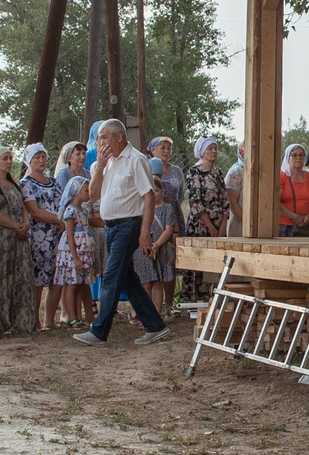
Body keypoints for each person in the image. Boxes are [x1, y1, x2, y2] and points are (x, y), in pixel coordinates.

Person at [74, 118, 170, 346]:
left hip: (129, 224)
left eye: (104, 137)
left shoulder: (135, 160)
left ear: (119, 136)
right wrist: (99, 164)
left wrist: (144, 232)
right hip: (110, 226)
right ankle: (155, 326)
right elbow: (93, 195)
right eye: (98, 138)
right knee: (128, 279)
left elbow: (148, 197)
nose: (100, 142)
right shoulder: (101, 163)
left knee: (111, 275)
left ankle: (99, 331)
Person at [0, 143, 35, 336]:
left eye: (11, 158)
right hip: (1, 236)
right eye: (5, 158)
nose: (9, 162)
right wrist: (15, 225)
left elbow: (23, 207)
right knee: (1, 277)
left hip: (19, 237)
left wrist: (26, 224)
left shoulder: (13, 183)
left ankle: (20, 320)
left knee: (19, 277)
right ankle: (0, 321)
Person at [20, 143, 73, 331]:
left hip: (58, 235)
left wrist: (63, 220)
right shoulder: (26, 183)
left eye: (43, 157)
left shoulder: (53, 181)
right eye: (37, 158)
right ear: (29, 161)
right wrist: (59, 220)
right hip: (39, 236)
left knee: (56, 278)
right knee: (38, 279)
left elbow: (63, 202)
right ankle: (34, 319)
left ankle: (49, 320)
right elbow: (34, 211)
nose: (41, 161)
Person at [180, 137, 229, 298]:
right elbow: (195, 202)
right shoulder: (195, 172)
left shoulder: (218, 172)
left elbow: (224, 200)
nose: (213, 152)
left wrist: (222, 226)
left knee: (217, 261)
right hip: (200, 225)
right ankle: (195, 298)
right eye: (210, 149)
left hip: (218, 223)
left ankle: (214, 296)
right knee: (198, 261)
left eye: (215, 148)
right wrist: (211, 227)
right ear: (202, 152)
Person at [132, 154, 179, 319]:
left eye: (157, 190)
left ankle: (157, 313)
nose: (154, 193)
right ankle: (142, 313)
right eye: (151, 190)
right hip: (143, 249)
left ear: (162, 191)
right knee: (145, 283)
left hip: (160, 249)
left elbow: (169, 229)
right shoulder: (139, 209)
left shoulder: (167, 209)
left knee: (158, 282)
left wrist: (156, 245)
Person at [57, 140, 97, 326]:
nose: (89, 193)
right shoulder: (71, 212)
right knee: (72, 284)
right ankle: (72, 317)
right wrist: (74, 257)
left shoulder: (83, 211)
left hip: (84, 251)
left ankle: (88, 317)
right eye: (86, 190)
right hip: (73, 253)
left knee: (83, 283)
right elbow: (70, 235)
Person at [276, 143, 309, 235]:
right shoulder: (281, 177)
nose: (298, 158)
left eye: (301, 155)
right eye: (294, 155)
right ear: (288, 158)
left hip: (308, 226)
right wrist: (294, 217)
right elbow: (276, 202)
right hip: (285, 226)